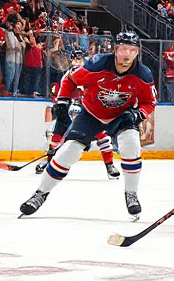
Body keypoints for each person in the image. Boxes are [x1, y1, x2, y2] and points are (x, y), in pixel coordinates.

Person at [20, 31, 155, 220]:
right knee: (69, 151)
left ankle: (131, 193)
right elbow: (70, 79)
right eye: (124, 49)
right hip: (91, 114)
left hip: (120, 116)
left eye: (132, 50)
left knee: (131, 144)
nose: (127, 55)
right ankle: (40, 193)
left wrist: (138, 113)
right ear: (116, 50)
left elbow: (149, 102)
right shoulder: (97, 64)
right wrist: (62, 101)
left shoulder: (143, 74)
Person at [35, 48, 120, 180]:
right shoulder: (67, 76)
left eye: (79, 59)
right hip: (69, 113)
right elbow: (62, 97)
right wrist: (64, 113)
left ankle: (110, 166)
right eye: (74, 59)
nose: (76, 62)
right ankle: (49, 161)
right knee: (57, 136)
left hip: (89, 113)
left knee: (103, 137)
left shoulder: (94, 75)